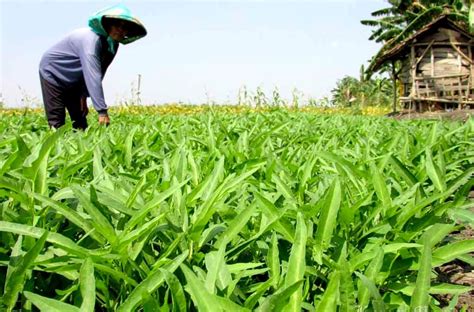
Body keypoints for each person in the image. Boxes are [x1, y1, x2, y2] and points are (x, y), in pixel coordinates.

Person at [39, 4, 147, 129]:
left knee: (80, 123)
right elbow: (93, 74)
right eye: (117, 25)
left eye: (125, 28)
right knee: (57, 122)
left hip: (74, 79)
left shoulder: (112, 44)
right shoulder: (91, 41)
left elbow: (101, 71)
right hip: (53, 72)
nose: (120, 30)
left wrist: (83, 96)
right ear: (108, 24)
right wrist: (102, 111)